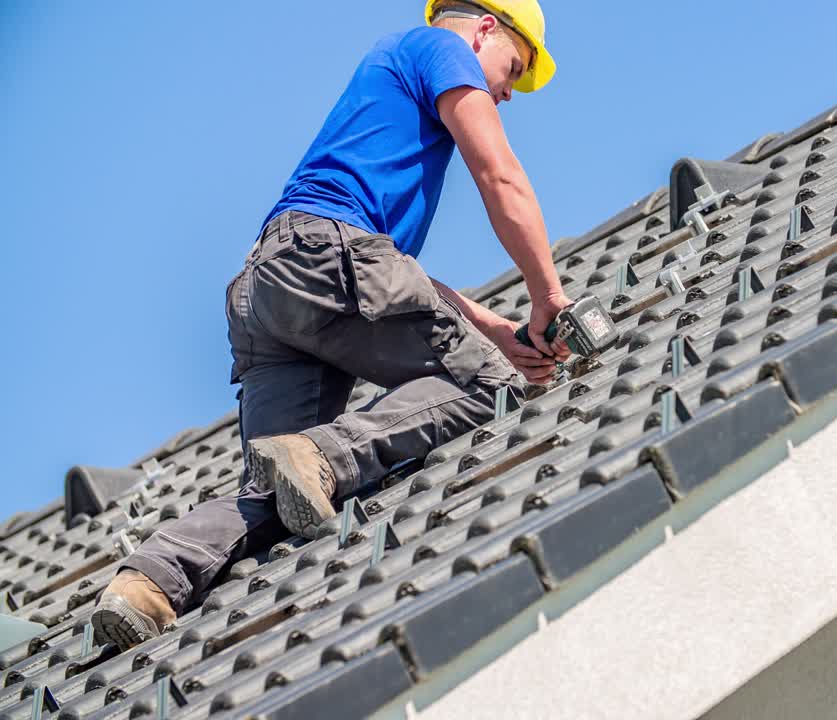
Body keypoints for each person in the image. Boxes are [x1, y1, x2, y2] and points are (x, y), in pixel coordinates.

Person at [89, 0, 573, 650]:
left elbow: (393, 275)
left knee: (278, 490)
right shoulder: (442, 51)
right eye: (512, 69)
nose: (508, 92)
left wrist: (497, 326)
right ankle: (323, 453)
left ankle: (148, 581)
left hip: (272, 284)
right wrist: (548, 297)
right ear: (485, 28)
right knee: (493, 384)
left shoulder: (386, 87)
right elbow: (499, 175)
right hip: (328, 259)